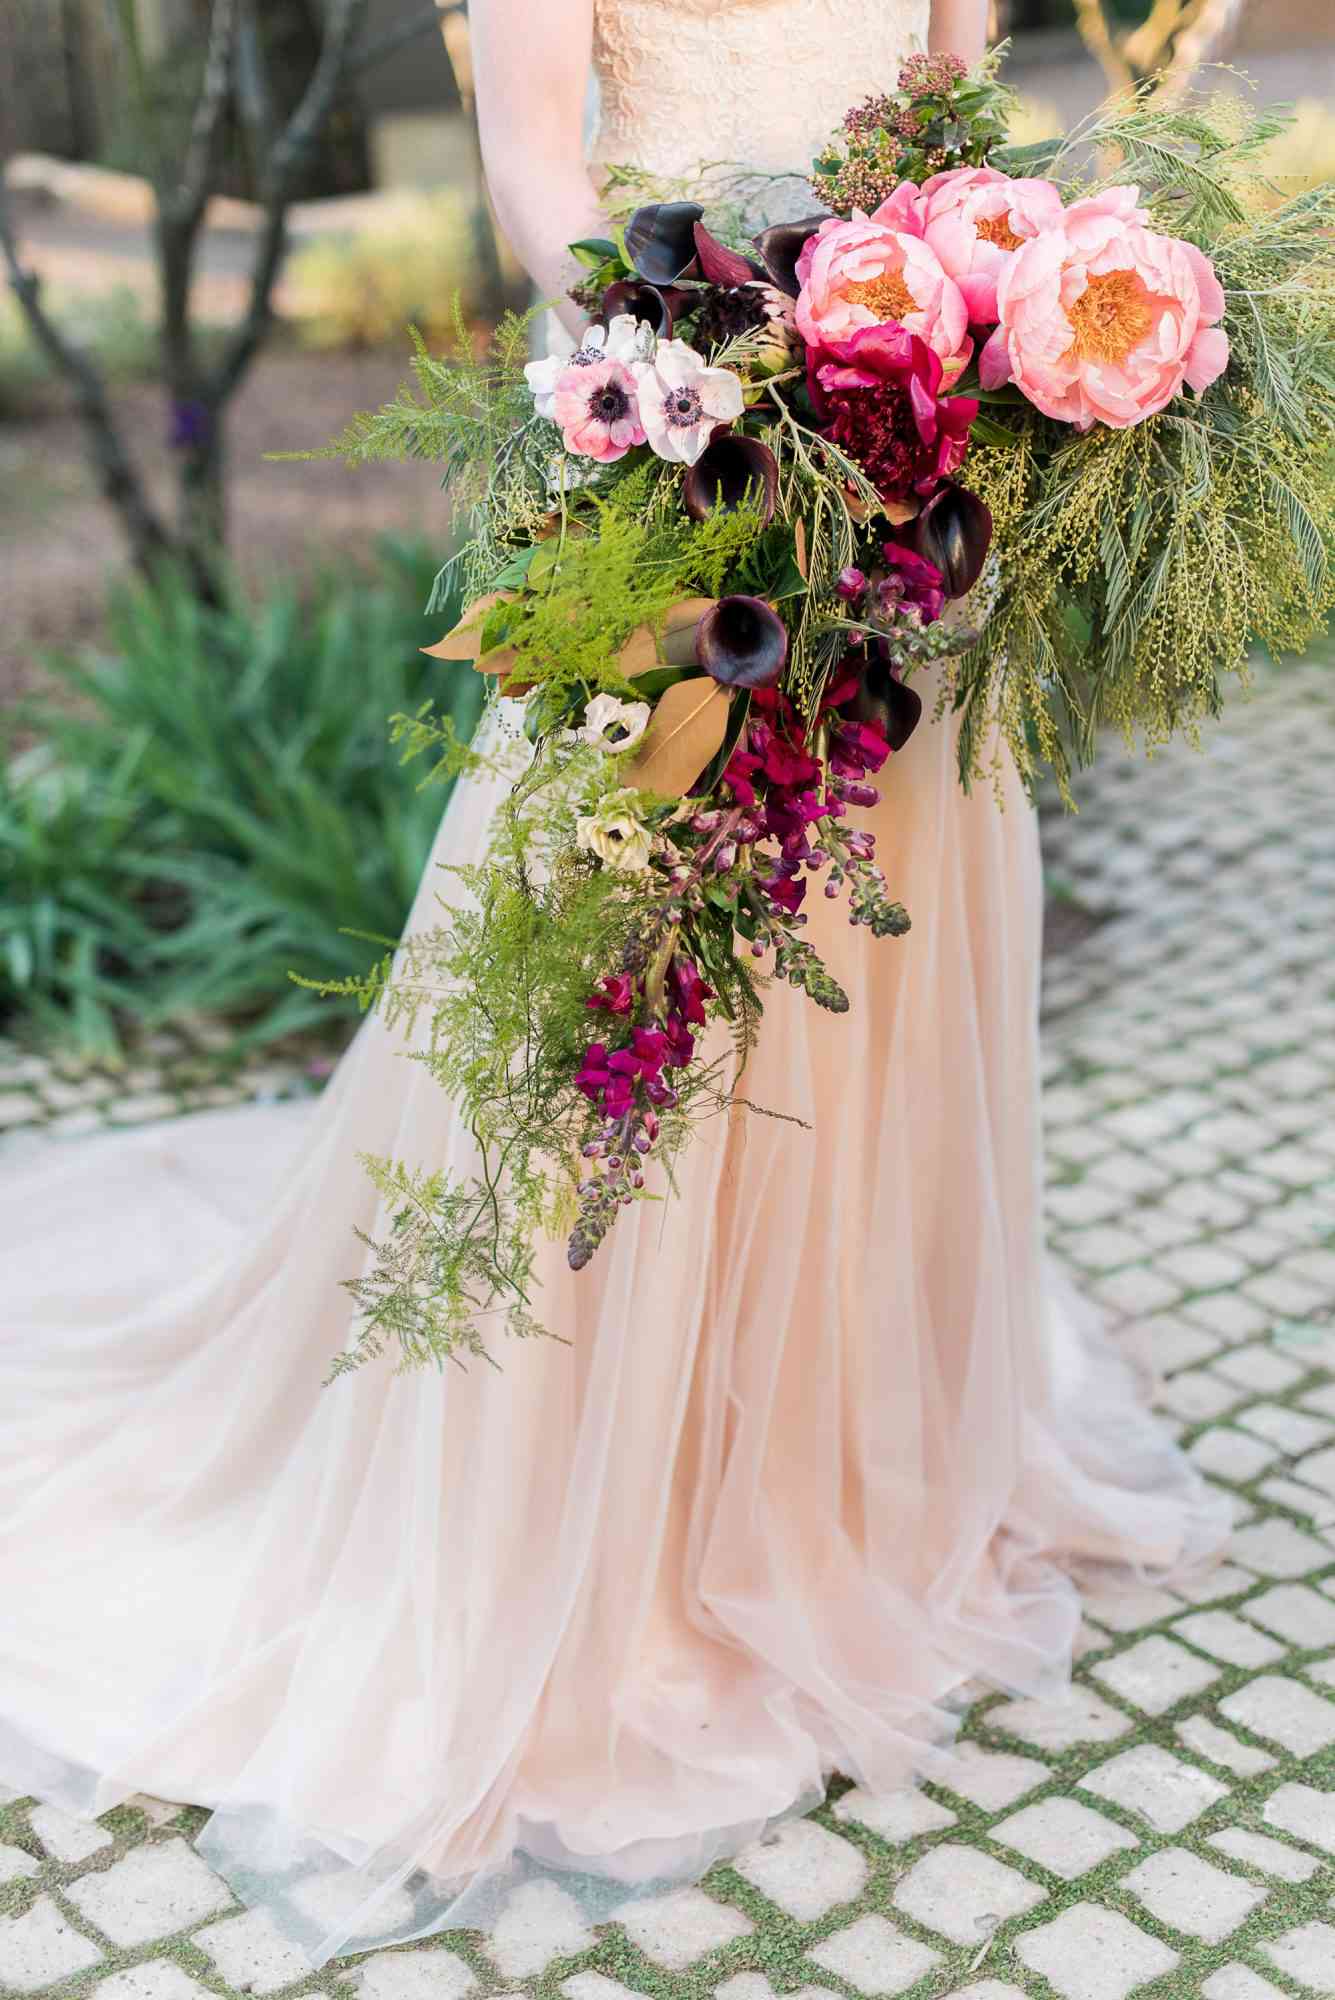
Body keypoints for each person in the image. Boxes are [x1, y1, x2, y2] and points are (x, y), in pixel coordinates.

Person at [0, 0, 1227, 1969]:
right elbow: (532, 172)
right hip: (695, 482)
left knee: (877, 934)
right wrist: (701, 394)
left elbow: (948, 104)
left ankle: (847, 1472)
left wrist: (997, 311)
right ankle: (616, 1533)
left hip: (913, 500)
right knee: (642, 962)